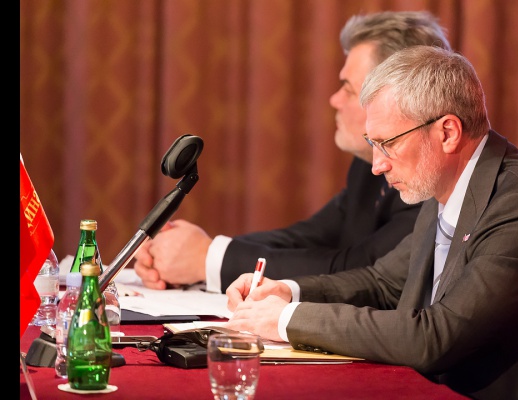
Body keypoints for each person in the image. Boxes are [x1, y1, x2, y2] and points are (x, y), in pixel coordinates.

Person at [225, 46, 518, 399]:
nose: (377, 165)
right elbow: (383, 283)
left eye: (389, 143)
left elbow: (435, 338)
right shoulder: (447, 183)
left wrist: (287, 321)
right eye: (373, 144)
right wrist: (287, 293)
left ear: (447, 132)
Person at [133, 11, 452, 293]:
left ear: (392, 96)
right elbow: (308, 238)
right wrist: (192, 251)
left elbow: (360, 271)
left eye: (348, 88)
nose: (334, 100)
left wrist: (208, 259)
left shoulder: (430, 179)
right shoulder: (365, 166)